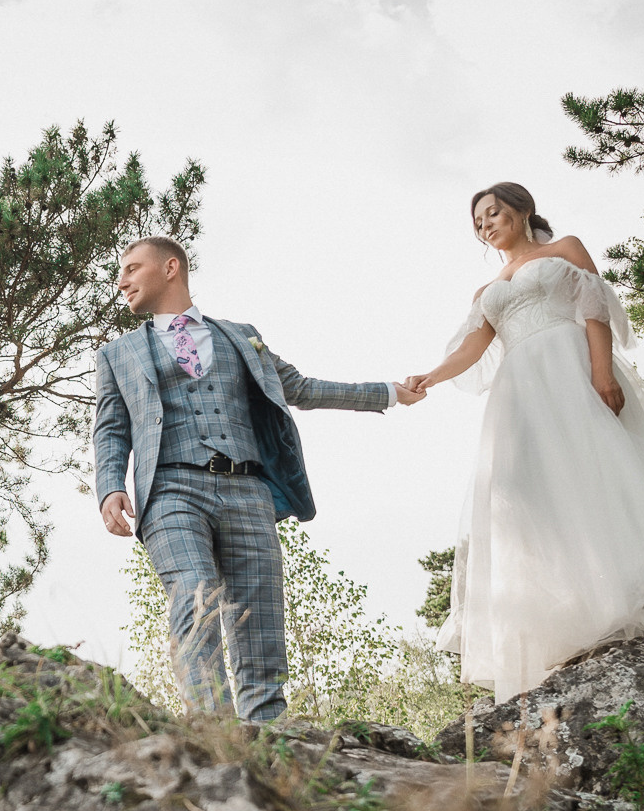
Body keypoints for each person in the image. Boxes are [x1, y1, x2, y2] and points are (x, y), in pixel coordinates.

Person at [401, 182, 644, 700]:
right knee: (541, 494)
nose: (486, 225)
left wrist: (600, 373)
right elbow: (474, 347)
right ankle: (581, 610)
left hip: (571, 367)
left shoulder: (563, 249)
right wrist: (427, 378)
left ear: (522, 211)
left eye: (494, 212)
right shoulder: (486, 293)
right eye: (478, 222)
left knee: (609, 470)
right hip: (522, 393)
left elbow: (594, 310)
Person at [94, 236, 424, 721]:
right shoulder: (117, 354)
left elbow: (302, 389)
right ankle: (212, 726)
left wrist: (389, 392)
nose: (120, 281)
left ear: (170, 268)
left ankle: (268, 733)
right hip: (170, 489)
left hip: (248, 488)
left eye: (130, 268)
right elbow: (111, 427)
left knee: (260, 615)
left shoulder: (239, 335)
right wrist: (110, 486)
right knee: (193, 588)